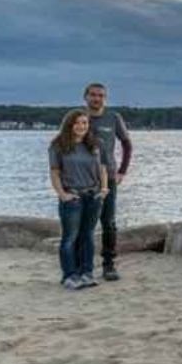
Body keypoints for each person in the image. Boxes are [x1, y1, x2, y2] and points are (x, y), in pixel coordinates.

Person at [49, 109, 108, 290]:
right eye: (77, 123)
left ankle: (86, 273)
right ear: (69, 125)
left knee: (88, 236)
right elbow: (55, 172)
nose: (81, 126)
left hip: (93, 195)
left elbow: (103, 168)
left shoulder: (95, 144)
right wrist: (62, 194)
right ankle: (69, 275)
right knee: (70, 238)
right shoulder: (58, 145)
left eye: (85, 123)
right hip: (72, 196)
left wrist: (104, 189)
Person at [84, 82, 132, 281]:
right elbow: (64, 144)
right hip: (83, 177)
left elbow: (127, 145)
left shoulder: (113, 118)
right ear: (85, 97)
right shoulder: (78, 117)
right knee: (83, 223)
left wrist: (122, 171)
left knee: (109, 222)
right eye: (93, 95)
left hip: (109, 177)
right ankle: (83, 265)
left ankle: (109, 265)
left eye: (101, 95)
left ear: (105, 98)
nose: (97, 98)